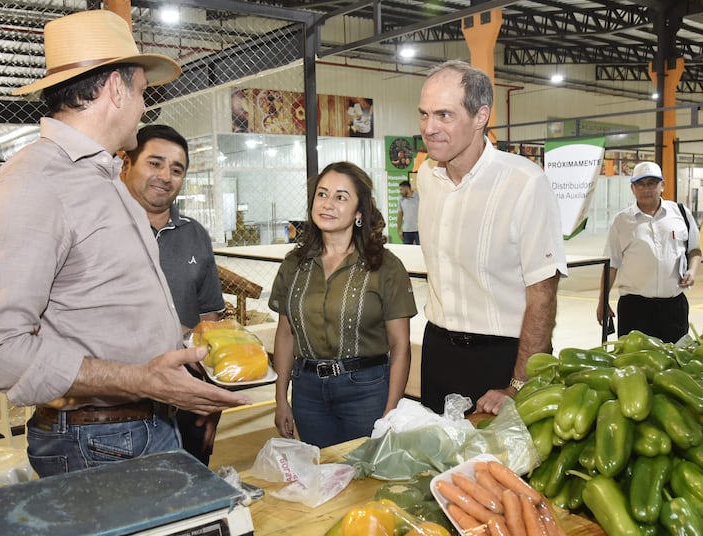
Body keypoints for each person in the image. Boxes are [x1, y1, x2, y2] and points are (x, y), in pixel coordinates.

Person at [0, 10, 250, 478]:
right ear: (116, 88)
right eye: (141, 92)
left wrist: (180, 374)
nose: (143, 106)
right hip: (97, 439)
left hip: (141, 425)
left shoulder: (105, 180)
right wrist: (141, 379)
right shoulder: (35, 185)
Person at [417, 60, 567, 416]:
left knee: (495, 469)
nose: (429, 128)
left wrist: (518, 383)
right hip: (437, 349)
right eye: (423, 114)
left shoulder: (524, 183)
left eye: (444, 115)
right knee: (438, 467)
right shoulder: (426, 176)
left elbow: (542, 294)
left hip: (500, 360)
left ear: (481, 115)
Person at [268, 161, 417, 448]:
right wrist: (280, 399)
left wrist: (391, 411)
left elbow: (400, 346)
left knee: (366, 480)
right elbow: (285, 334)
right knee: (322, 476)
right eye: (322, 194)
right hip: (307, 392)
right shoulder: (295, 265)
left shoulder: (385, 267)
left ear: (359, 211)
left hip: (366, 390)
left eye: (341, 197)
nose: (327, 204)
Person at [121, 124, 226, 465]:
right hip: (119, 405)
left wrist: (211, 401)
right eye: (154, 163)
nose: (165, 176)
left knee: (189, 502)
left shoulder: (195, 235)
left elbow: (210, 326)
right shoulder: (101, 229)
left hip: (185, 399)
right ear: (126, 164)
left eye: (176, 169)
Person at [597, 161, 701, 343]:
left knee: (675, 364)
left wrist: (692, 271)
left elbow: (694, 250)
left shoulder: (681, 214)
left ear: (662, 185)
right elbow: (611, 265)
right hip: (635, 309)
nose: (646, 189)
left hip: (674, 307)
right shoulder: (621, 222)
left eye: (652, 183)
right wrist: (602, 301)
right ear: (632, 188)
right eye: (641, 184)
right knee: (634, 364)